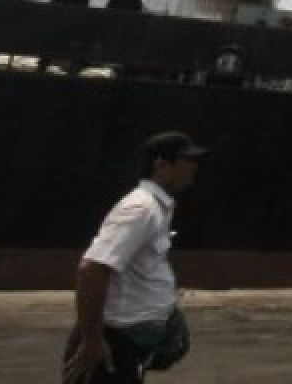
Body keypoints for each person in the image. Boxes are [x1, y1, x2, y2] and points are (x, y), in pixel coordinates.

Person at [63, 132, 207, 384]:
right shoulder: (141, 208)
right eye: (187, 159)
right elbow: (92, 270)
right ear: (161, 164)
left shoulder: (157, 206)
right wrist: (93, 341)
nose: (194, 166)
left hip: (130, 339)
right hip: (115, 341)